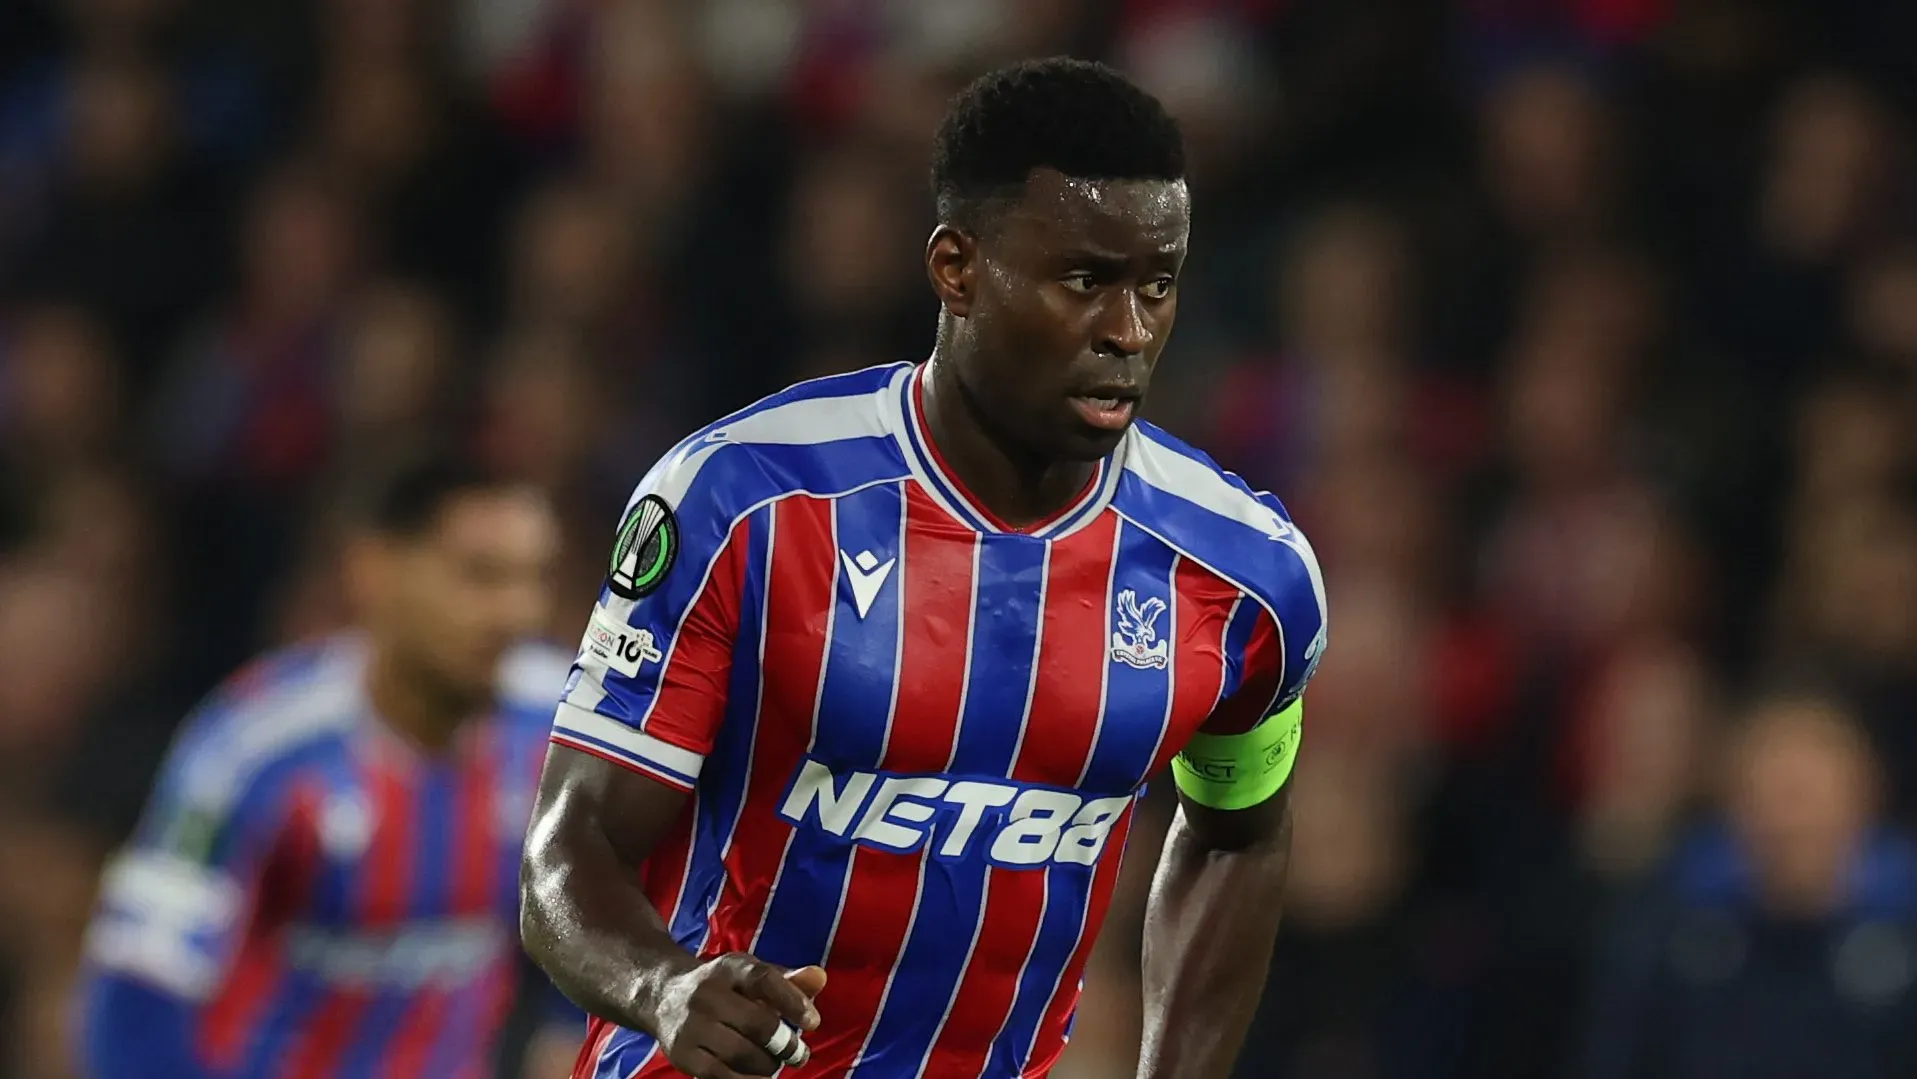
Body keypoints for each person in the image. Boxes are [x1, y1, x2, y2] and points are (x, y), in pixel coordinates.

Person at [521, 57, 1329, 1079]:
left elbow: (1237, 834)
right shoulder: (744, 502)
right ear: (956, 267)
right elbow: (568, 845)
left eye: (1156, 284)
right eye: (1084, 280)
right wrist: (664, 985)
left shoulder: (1247, 578)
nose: (1128, 331)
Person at [75, 453, 581, 1079]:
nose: (516, 613)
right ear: (374, 570)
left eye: (533, 579)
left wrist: (569, 1035)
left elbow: (608, 924)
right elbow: (139, 990)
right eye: (479, 577)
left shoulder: (560, 731)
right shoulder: (256, 751)